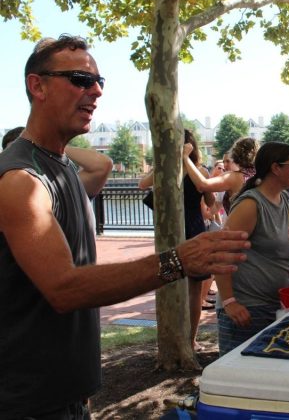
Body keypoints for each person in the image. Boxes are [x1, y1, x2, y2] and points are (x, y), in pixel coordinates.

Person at [0, 35, 249, 419]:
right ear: (38, 85)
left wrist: (82, 385)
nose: (96, 91)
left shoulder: (64, 167)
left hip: (69, 394)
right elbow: (64, 288)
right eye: (80, 79)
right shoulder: (21, 180)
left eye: (100, 81)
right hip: (30, 403)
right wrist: (177, 261)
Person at [215, 141, 289, 355]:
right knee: (240, 381)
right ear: (276, 168)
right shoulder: (251, 204)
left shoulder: (285, 198)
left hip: (275, 307)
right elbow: (221, 253)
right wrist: (230, 302)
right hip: (247, 310)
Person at [139, 129, 216, 351]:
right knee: (192, 289)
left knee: (176, 283)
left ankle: (183, 339)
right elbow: (210, 200)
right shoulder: (198, 170)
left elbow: (142, 185)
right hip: (192, 229)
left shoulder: (169, 170)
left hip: (173, 232)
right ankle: (190, 339)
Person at [183, 137, 258, 215]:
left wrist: (186, 157)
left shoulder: (233, 177)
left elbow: (202, 185)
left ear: (236, 154)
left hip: (239, 225)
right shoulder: (259, 175)